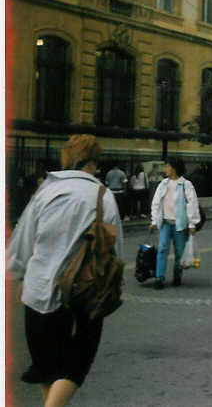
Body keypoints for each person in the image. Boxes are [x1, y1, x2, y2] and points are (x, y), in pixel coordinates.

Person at [8, 135, 123, 407]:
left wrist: (21, 275)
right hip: (82, 296)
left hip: (38, 293)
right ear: (93, 162)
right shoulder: (103, 197)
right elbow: (115, 251)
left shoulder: (45, 192)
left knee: (48, 369)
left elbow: (22, 242)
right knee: (75, 366)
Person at [149, 158, 200, 289]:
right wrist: (154, 221)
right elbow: (156, 203)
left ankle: (177, 276)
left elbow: (192, 204)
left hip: (180, 225)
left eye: (167, 166)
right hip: (165, 223)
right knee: (162, 249)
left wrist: (192, 224)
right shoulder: (163, 184)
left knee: (179, 252)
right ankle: (159, 278)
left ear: (174, 168)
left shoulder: (186, 185)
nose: (165, 169)